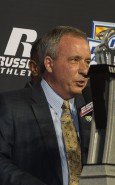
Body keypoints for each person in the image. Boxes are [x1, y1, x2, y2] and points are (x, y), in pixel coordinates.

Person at [0, 26, 92, 185]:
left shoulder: (92, 109)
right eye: (75, 60)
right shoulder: (11, 105)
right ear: (49, 64)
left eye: (87, 61)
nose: (85, 70)